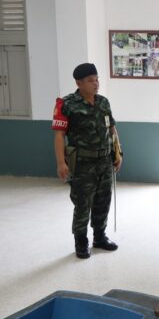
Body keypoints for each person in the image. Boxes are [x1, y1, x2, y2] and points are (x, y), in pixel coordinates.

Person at [52, 63, 122, 259]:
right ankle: (81, 241)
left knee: (103, 201)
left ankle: (99, 237)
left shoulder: (103, 103)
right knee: (83, 203)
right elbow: (59, 135)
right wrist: (61, 162)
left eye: (97, 79)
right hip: (82, 163)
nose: (96, 83)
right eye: (91, 80)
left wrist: (118, 152)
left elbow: (112, 129)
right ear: (79, 83)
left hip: (104, 161)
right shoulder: (67, 104)